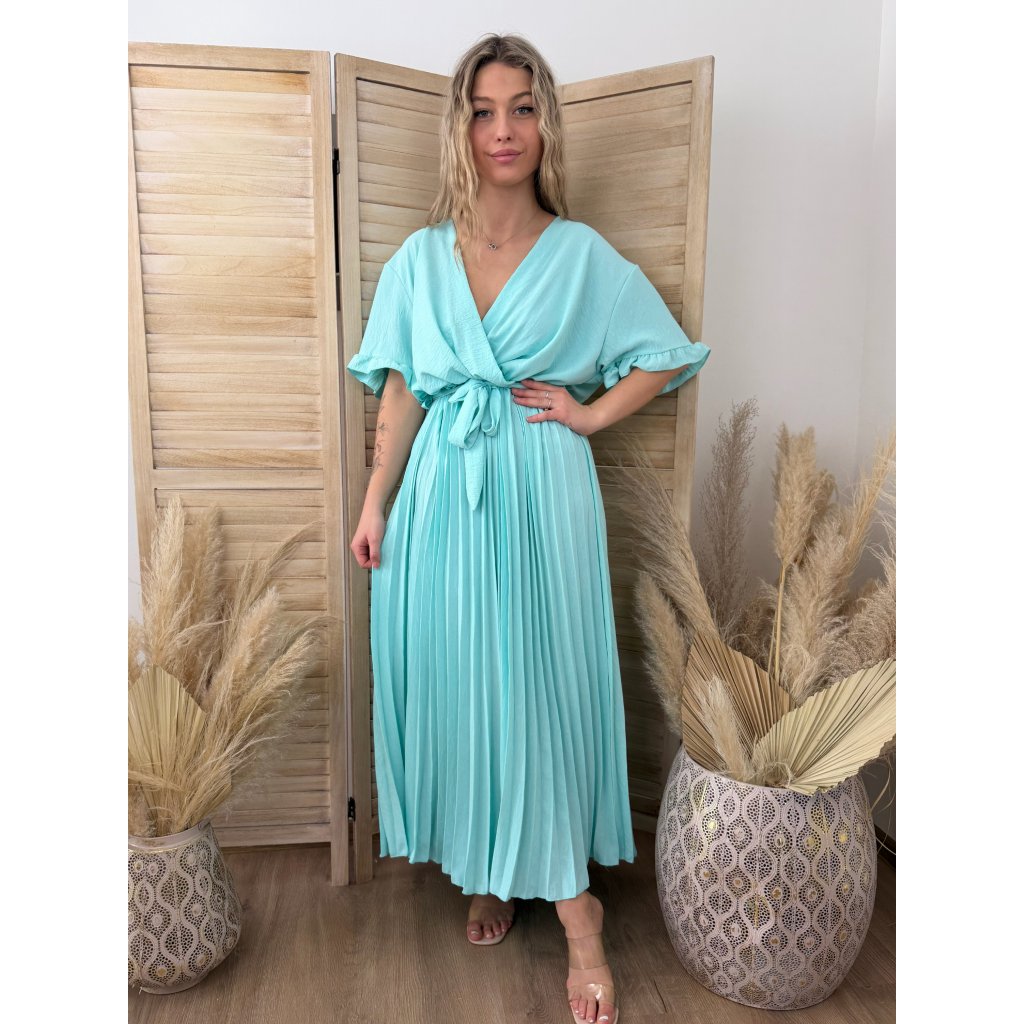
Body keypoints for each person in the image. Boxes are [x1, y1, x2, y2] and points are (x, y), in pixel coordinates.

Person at [347, 33, 710, 1024]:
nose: (501, 130)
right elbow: (400, 392)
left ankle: (580, 914)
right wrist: (376, 501)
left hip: (545, 492)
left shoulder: (582, 256)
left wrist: (589, 415)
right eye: (482, 110)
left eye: (520, 108)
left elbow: (666, 353)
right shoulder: (419, 260)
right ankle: (492, 864)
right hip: (441, 501)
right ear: (459, 128)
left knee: (537, 685)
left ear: (545, 123)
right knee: (466, 684)